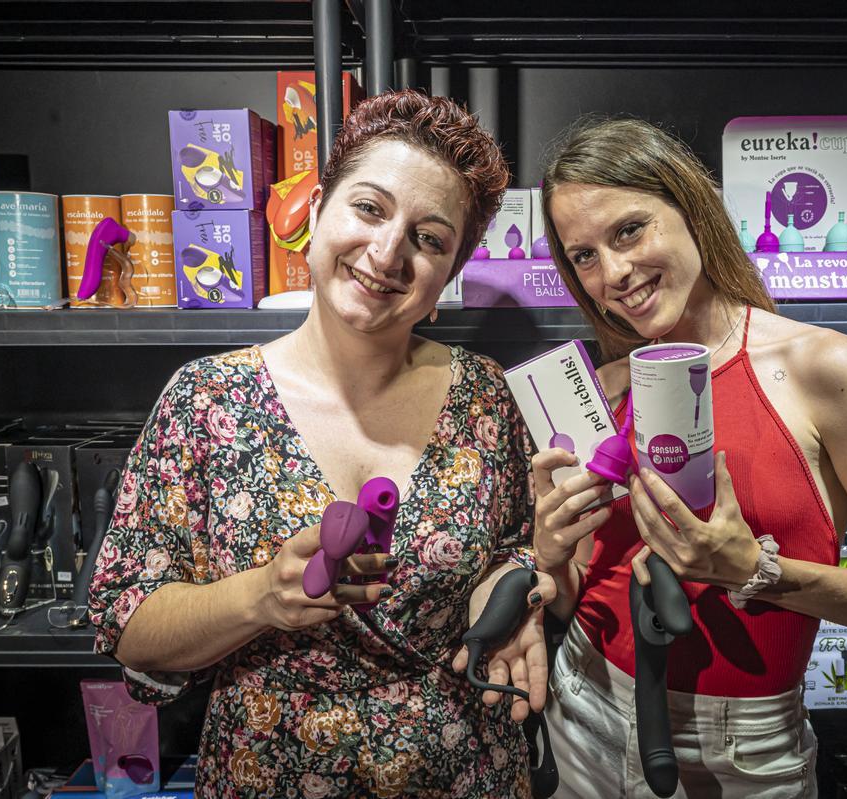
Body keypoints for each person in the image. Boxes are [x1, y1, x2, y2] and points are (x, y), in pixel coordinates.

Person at [89, 90, 556, 799]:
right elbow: (127, 622)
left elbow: (523, 547)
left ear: (443, 284)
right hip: (271, 775)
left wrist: (511, 583)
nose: (387, 251)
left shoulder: (486, 396)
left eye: (429, 239)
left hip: (465, 775)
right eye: (369, 209)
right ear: (313, 216)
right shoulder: (206, 399)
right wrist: (260, 598)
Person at [531, 117, 847, 798]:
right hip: (582, 705)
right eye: (583, 255)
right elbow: (581, 587)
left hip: (739, 749)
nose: (613, 272)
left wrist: (756, 571)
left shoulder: (825, 368)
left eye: (629, 230)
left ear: (693, 210)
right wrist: (552, 551)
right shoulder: (606, 386)